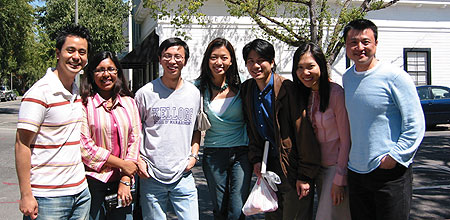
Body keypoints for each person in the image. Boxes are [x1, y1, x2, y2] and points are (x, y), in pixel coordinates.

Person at [342, 19, 425, 220]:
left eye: (365, 41)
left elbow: (415, 123)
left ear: (376, 43)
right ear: (346, 45)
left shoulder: (395, 76)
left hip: (389, 173)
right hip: (356, 170)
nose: (359, 47)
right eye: (353, 42)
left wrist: (395, 157)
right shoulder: (347, 77)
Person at [15, 24, 91, 220]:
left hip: (81, 192)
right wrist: (26, 195)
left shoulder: (76, 91)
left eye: (82, 52)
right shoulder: (39, 93)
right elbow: (22, 144)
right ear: (58, 53)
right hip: (47, 198)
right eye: (70, 50)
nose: (76, 57)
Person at [240, 39, 321, 220]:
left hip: (291, 166)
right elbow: (252, 129)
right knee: (272, 215)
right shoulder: (247, 89)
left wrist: (305, 175)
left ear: (272, 62)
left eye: (261, 60)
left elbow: (303, 133)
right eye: (250, 61)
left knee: (296, 215)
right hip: (269, 166)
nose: (255, 65)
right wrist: (256, 158)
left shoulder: (287, 89)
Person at [135, 37, 201, 220]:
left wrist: (194, 156)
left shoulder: (194, 94)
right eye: (167, 56)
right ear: (160, 59)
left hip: (183, 174)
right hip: (151, 174)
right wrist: (139, 161)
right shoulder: (145, 93)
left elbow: (197, 128)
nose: (173, 61)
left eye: (178, 56)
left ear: (185, 60)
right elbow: (134, 131)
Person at [292, 42, 351, 220]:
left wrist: (340, 179)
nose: (305, 73)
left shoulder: (335, 94)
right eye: (300, 68)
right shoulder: (304, 94)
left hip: (334, 168)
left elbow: (346, 139)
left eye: (310, 66)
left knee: (328, 216)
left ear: (321, 66)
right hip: (312, 166)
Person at [80, 51, 142, 220]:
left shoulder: (129, 102)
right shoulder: (84, 104)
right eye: (100, 70)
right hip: (94, 182)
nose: (106, 74)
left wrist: (125, 178)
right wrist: (123, 164)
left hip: (125, 182)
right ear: (92, 74)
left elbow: (135, 139)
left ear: (118, 73)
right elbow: (85, 147)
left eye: (111, 69)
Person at [195, 38, 251, 220]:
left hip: (242, 152)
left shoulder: (242, 87)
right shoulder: (197, 88)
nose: (219, 62)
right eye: (214, 57)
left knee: (237, 210)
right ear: (207, 60)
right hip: (213, 153)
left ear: (231, 60)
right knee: (220, 208)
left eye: (224, 58)